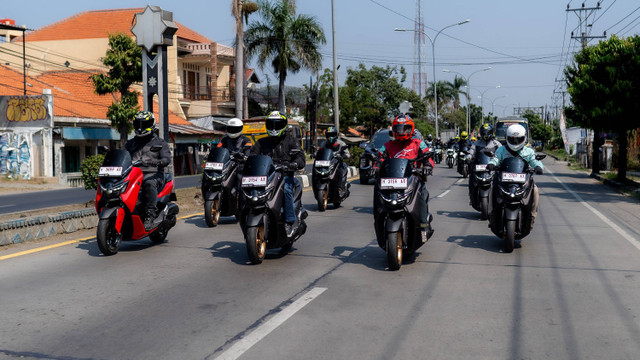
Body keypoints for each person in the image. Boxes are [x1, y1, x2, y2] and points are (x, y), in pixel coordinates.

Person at [377, 114, 434, 238]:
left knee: (422, 195)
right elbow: (379, 158)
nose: (402, 132)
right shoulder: (387, 145)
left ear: (411, 129)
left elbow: (428, 157)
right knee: (379, 197)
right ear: (394, 130)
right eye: (398, 128)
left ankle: (424, 227)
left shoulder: (419, 143)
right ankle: (379, 224)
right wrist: (375, 167)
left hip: (413, 179)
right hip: (392, 181)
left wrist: (427, 167)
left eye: (405, 128)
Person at [250, 111, 305, 236]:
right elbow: (252, 156)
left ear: (284, 125)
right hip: (265, 177)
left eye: (277, 124)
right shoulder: (261, 142)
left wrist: (294, 164)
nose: (274, 128)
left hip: (285, 176)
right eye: (271, 124)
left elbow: (300, 157)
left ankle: (290, 221)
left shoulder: (291, 141)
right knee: (247, 187)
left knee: (286, 189)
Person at [486, 124, 543, 225]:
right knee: (492, 188)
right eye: (512, 139)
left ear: (524, 138)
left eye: (518, 139)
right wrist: (491, 164)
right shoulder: (501, 150)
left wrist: (538, 167)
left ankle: (532, 217)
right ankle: (491, 213)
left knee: (535, 191)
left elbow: (534, 160)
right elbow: (496, 159)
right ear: (507, 138)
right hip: (504, 182)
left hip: (523, 183)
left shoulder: (528, 151)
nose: (515, 142)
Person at [125, 110, 172, 231]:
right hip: (133, 175)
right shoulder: (130, 144)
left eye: (144, 124)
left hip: (154, 174)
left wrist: (159, 162)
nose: (141, 128)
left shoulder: (160, 143)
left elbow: (167, 158)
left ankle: (150, 216)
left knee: (148, 183)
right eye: (138, 124)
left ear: (152, 124)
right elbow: (123, 156)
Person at [321, 126, 350, 194]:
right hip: (327, 163)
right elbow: (319, 150)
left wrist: (343, 156)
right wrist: (315, 154)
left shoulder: (341, 143)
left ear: (336, 135)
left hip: (337, 163)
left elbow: (348, 154)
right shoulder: (324, 144)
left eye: (332, 135)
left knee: (340, 170)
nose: (330, 137)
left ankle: (340, 187)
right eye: (328, 135)